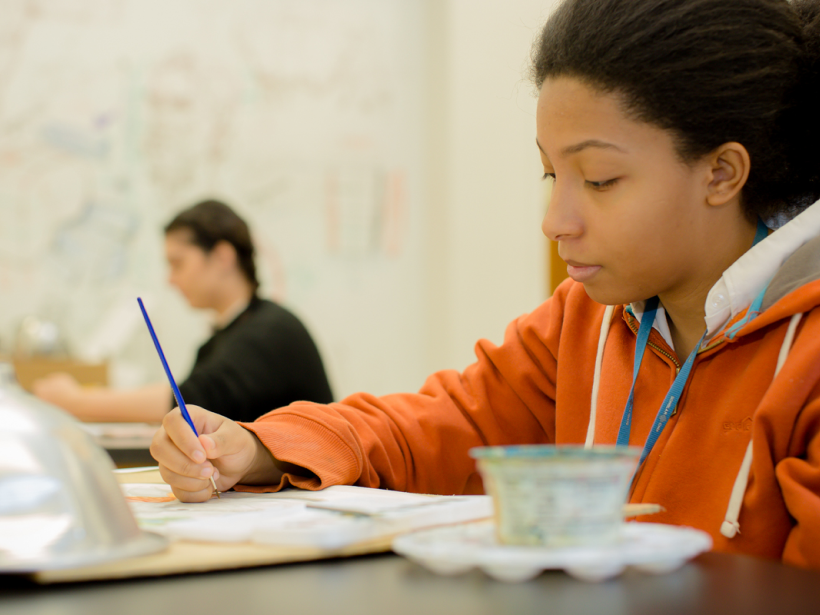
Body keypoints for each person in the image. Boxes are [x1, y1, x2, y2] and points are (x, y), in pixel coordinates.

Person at [149, 0, 820, 569]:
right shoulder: (583, 320)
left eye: (601, 180)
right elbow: (439, 424)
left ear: (723, 173)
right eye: (551, 176)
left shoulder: (807, 356)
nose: (556, 221)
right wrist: (262, 446)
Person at [33, 199, 333, 423]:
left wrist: (77, 402)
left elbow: (188, 402)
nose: (170, 279)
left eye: (178, 264)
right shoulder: (222, 338)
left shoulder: (270, 331)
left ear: (223, 257)